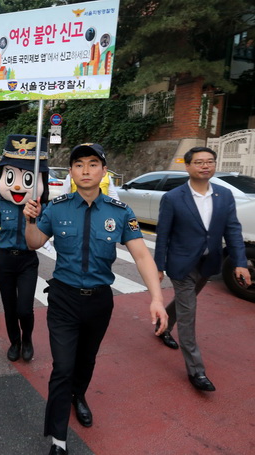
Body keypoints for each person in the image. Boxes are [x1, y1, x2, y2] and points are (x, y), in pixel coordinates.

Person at [23, 143, 168, 455]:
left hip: (100, 301)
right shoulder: (56, 207)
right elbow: (34, 243)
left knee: (85, 361)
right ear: (72, 172)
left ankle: (79, 395)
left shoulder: (120, 212)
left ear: (104, 171)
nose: (85, 170)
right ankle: (58, 438)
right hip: (63, 299)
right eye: (78, 165)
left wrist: (156, 298)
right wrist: (31, 220)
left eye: (92, 164)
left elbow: (142, 256)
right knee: (62, 367)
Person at [154, 146, 251, 392]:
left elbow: (233, 231)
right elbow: (163, 234)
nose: (205, 166)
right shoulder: (173, 198)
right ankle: (196, 371)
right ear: (187, 166)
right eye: (199, 162)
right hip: (181, 264)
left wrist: (240, 262)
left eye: (210, 161)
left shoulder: (224, 195)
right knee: (189, 313)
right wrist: (159, 266)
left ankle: (162, 323)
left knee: (184, 302)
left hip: (208, 264)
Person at [0, 134, 50, 363]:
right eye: (11, 176)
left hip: (28, 261)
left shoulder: (40, 206)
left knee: (24, 309)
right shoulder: (2, 204)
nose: (18, 185)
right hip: (4, 260)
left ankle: (27, 339)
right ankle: (15, 342)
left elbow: (47, 233)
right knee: (9, 308)